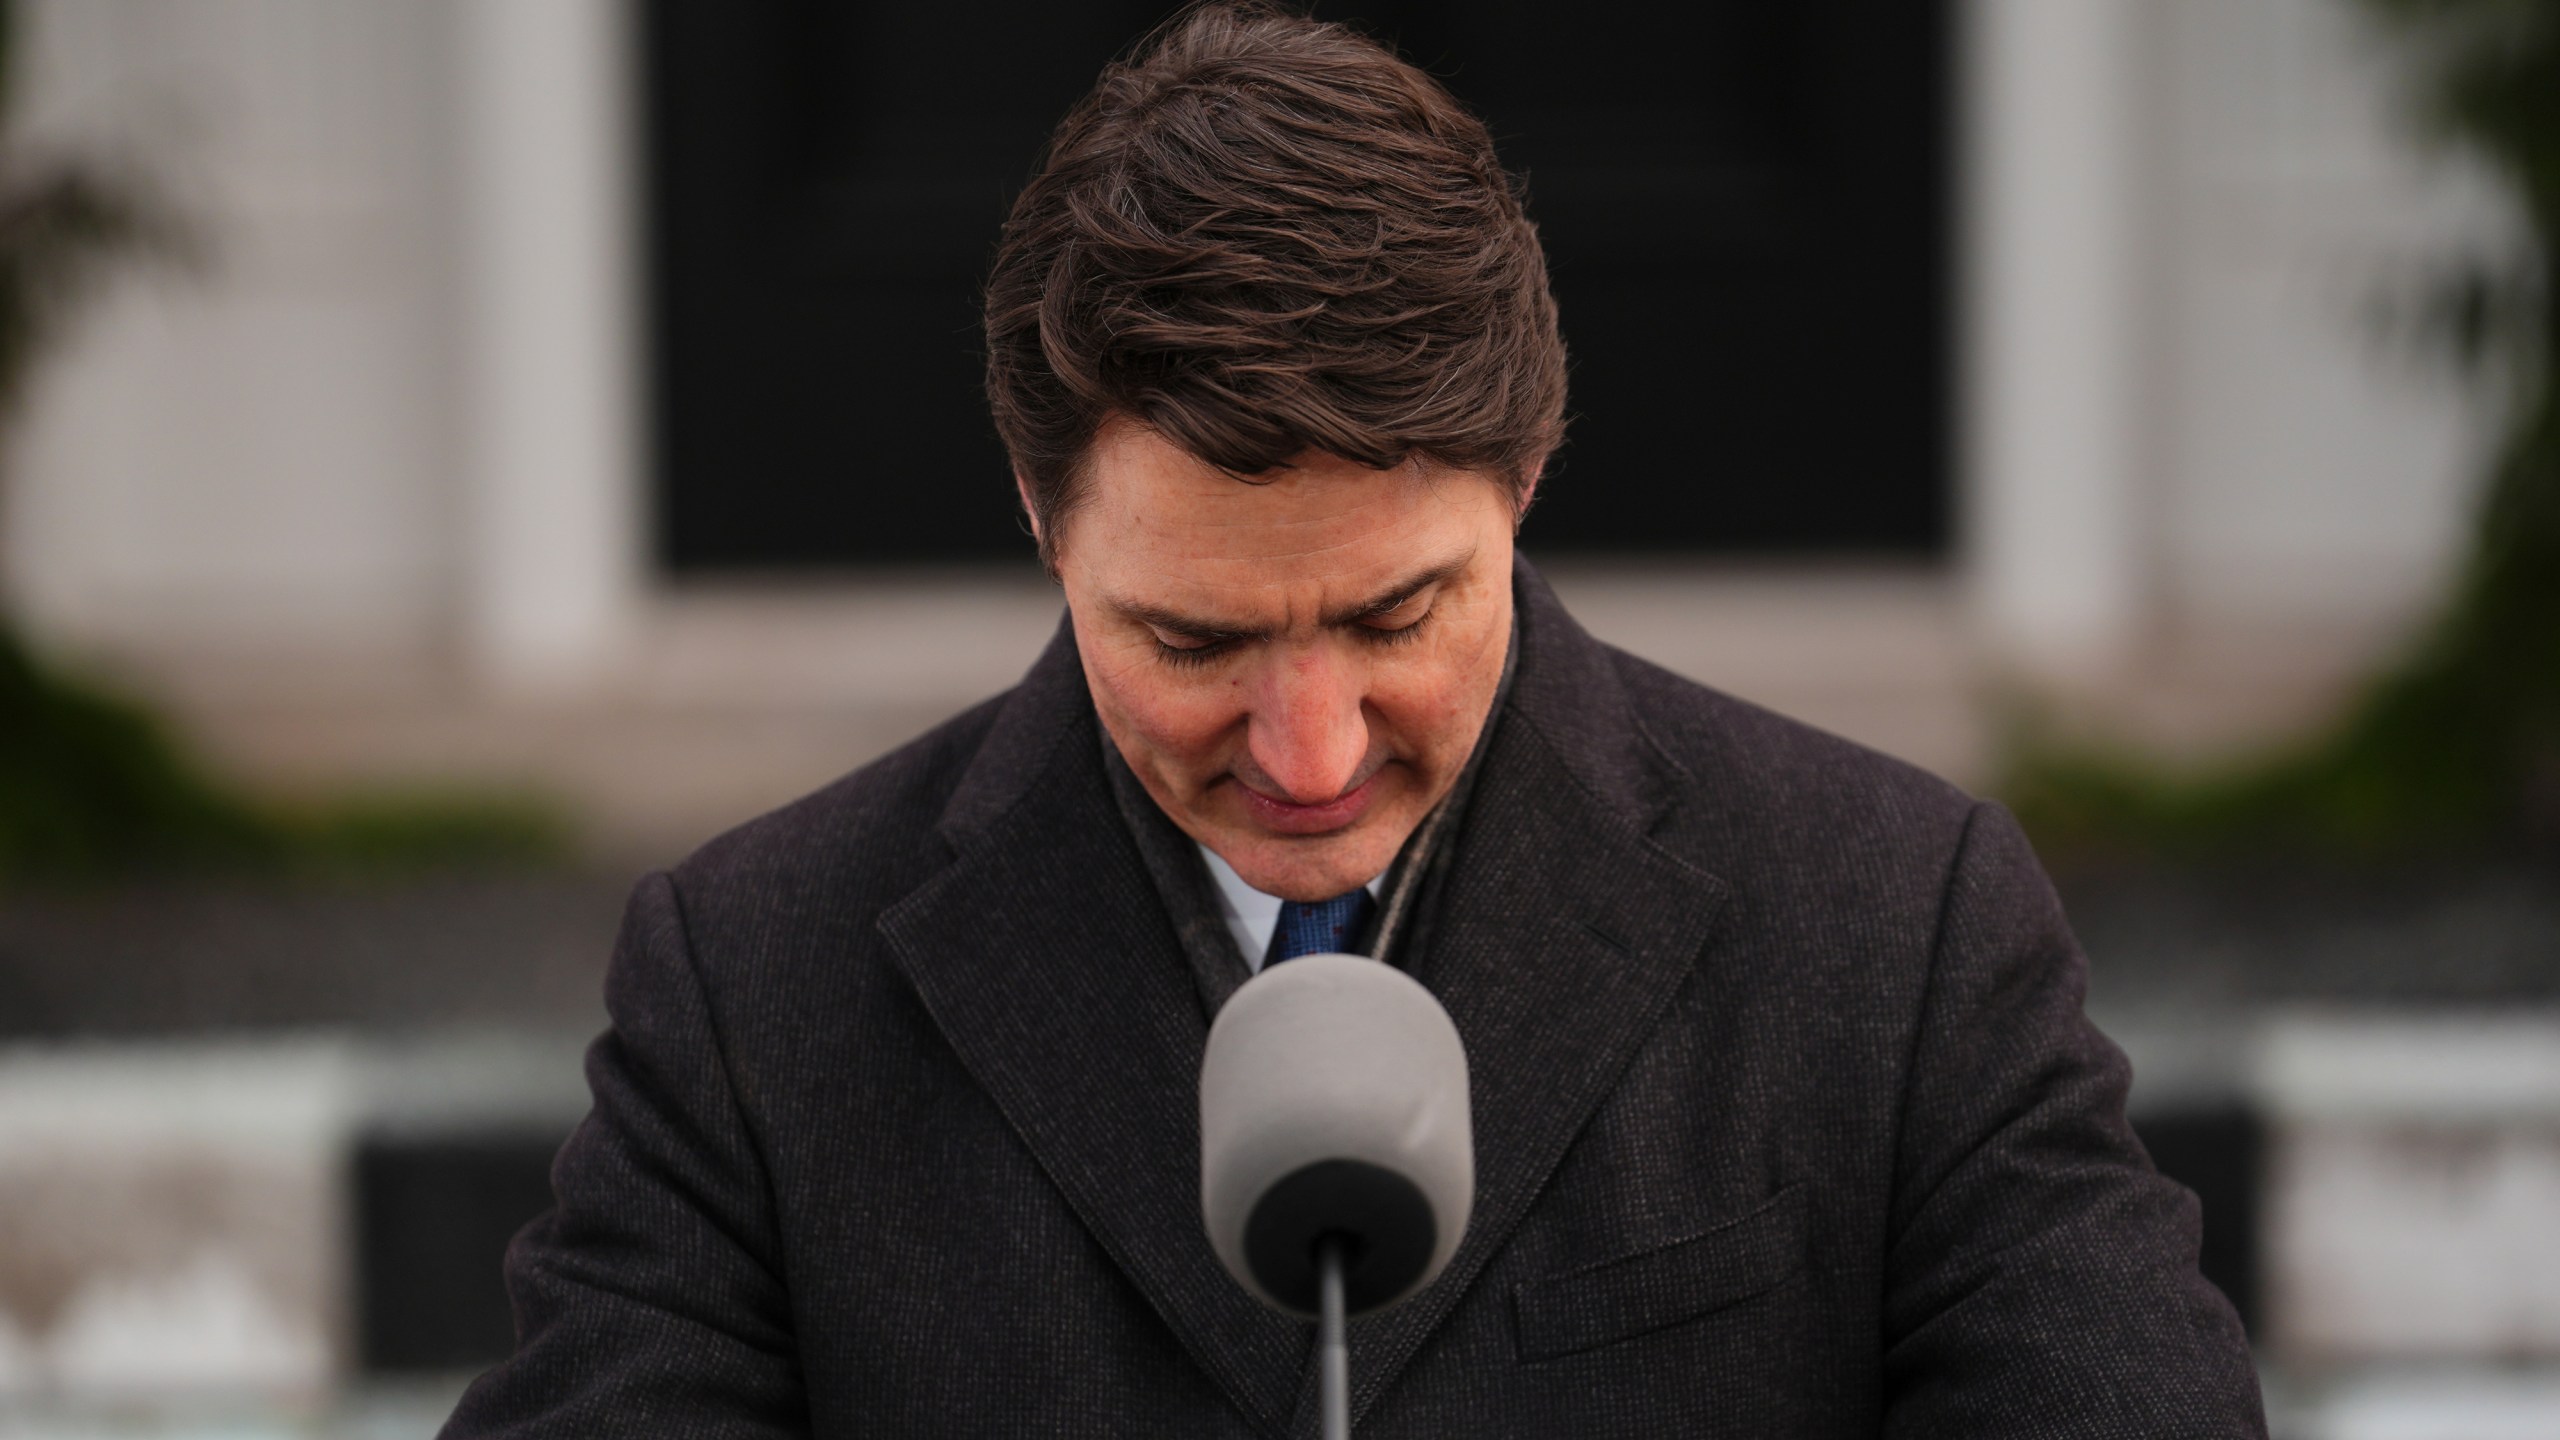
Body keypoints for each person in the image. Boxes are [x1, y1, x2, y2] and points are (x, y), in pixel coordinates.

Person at [442, 5, 2266, 1435]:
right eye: (1193, 637)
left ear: (1530, 474)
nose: (1310, 752)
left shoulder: (1902, 922)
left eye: (1398, 617)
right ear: (1036, 513)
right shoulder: (752, 988)